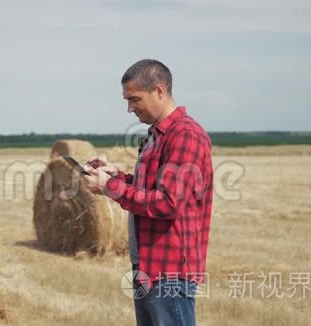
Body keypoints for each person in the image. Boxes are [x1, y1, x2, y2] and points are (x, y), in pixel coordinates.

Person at [82, 59, 213, 326]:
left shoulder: (185, 135)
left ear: (159, 91)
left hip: (170, 269)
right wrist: (114, 175)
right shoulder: (157, 135)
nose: (129, 108)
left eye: (134, 99)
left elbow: (167, 203)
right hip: (148, 265)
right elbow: (149, 190)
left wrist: (108, 187)